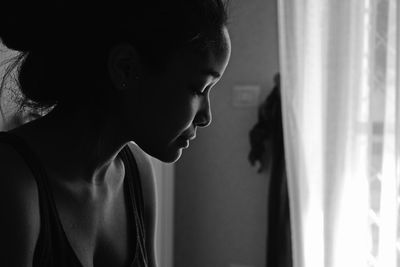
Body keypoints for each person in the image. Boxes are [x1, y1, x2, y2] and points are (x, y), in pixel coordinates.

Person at [0, 1, 231, 266]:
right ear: (125, 68)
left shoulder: (136, 172)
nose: (206, 117)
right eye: (199, 88)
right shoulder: (12, 182)